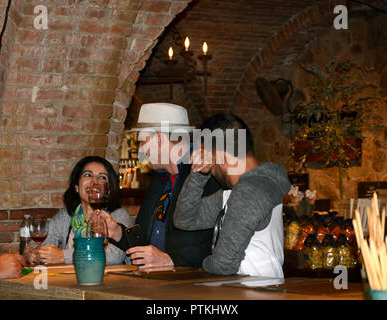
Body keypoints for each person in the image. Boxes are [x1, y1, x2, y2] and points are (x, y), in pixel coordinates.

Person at [93, 102, 219, 270]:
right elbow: (146, 245)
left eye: (142, 142)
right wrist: (117, 232)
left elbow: (217, 244)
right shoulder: (160, 180)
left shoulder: (207, 175)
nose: (140, 151)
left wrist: (170, 260)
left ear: (159, 138)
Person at [173, 113, 291, 278]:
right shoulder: (237, 191)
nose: (211, 171)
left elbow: (223, 264)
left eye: (209, 161)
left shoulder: (251, 190)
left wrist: (202, 265)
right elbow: (185, 220)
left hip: (256, 292)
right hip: (246, 289)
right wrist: (198, 173)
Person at [23, 156, 132, 265]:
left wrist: (63, 256)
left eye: (102, 177)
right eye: (88, 175)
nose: (95, 182)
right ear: (76, 187)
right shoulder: (67, 216)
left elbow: (114, 256)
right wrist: (31, 252)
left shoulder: (118, 215)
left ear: (108, 189)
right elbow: (39, 244)